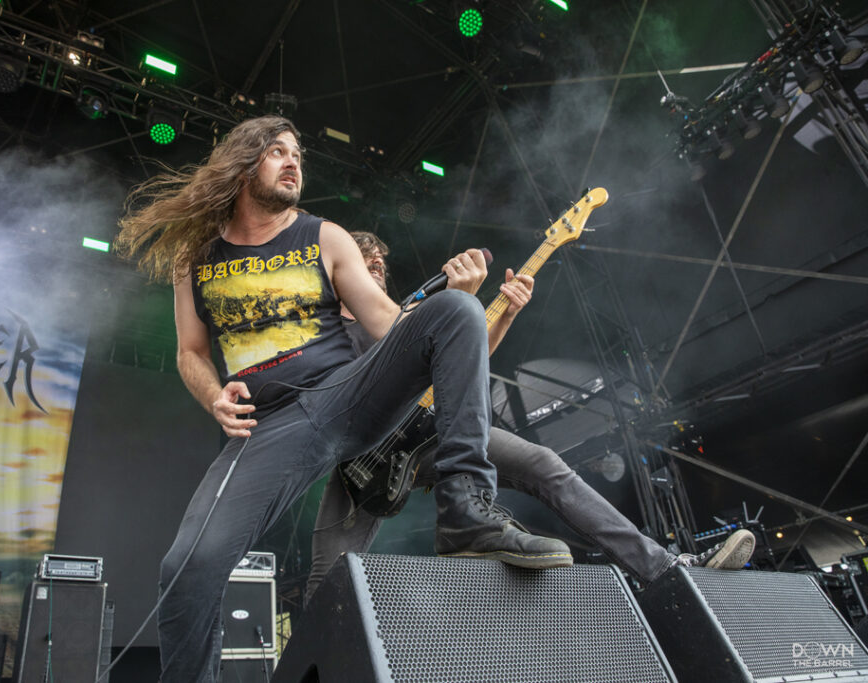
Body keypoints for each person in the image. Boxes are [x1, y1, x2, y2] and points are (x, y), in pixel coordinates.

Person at [114, 115, 570, 682]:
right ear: (242, 160)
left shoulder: (323, 235)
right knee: (188, 566)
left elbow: (388, 324)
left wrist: (463, 300)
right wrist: (213, 396)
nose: (293, 161)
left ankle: (465, 512)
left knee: (454, 312)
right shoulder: (196, 258)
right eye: (277, 151)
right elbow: (189, 351)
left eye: (298, 154)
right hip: (272, 425)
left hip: (348, 393)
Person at [305, 231, 756, 602]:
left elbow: (460, 365)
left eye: (381, 260)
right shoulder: (327, 331)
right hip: (363, 456)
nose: (378, 265)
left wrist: (505, 315)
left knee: (545, 464)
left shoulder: (412, 314)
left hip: (429, 433)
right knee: (328, 581)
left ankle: (666, 569)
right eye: (366, 259)